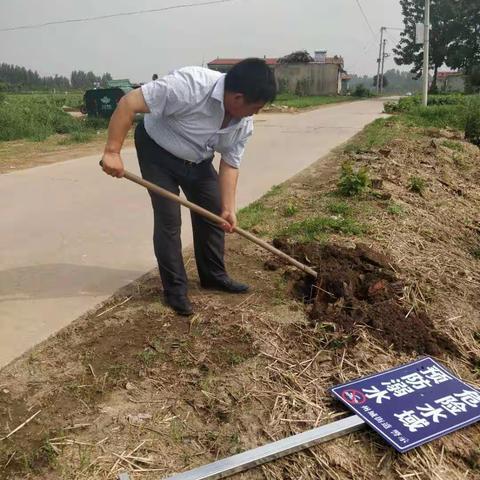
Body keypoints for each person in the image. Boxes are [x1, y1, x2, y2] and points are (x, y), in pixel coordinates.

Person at [101, 58, 276, 316]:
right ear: (238, 98)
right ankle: (175, 289)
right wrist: (112, 150)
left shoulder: (243, 124)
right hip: (157, 151)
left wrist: (228, 208)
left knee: (214, 212)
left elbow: (230, 164)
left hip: (197, 159)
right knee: (169, 218)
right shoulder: (190, 86)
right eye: (256, 108)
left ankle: (214, 275)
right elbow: (129, 103)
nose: (256, 114)